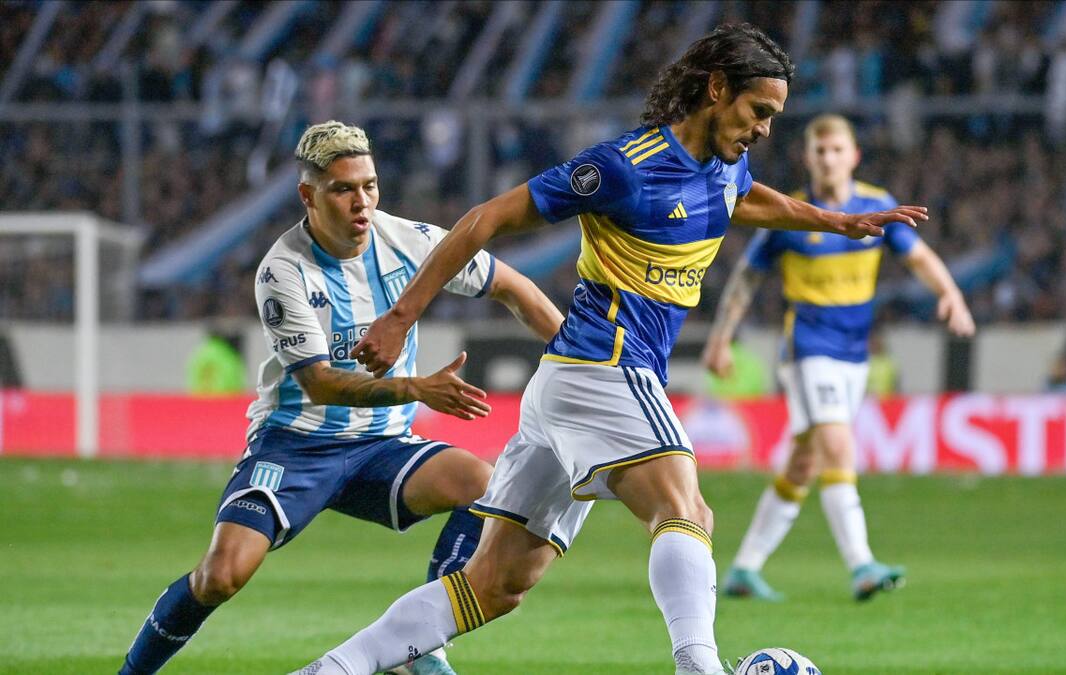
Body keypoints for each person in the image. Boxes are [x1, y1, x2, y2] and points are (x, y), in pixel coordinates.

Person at [293, 25, 927, 675]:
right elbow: (486, 218)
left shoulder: (728, 163)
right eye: (758, 111)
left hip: (564, 386)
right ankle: (699, 665)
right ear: (716, 89)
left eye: (773, 116)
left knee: (495, 584)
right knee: (686, 509)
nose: (765, 129)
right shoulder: (624, 168)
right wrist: (401, 316)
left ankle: (336, 668)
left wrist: (833, 221)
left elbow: (745, 197)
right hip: (607, 365)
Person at [118, 121, 564, 675]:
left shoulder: (414, 242)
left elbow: (513, 287)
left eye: (370, 186)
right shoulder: (283, 270)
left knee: (486, 486)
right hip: (294, 446)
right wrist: (415, 388)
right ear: (308, 195)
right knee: (221, 576)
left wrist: (581, 359)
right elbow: (320, 384)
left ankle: (420, 649)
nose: (362, 202)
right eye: (343, 189)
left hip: (381, 446)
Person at [702, 114, 975, 604]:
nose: (828, 159)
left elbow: (917, 256)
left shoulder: (876, 206)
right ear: (808, 158)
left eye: (836, 150)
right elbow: (746, 278)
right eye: (819, 151)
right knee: (837, 446)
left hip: (854, 353)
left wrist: (950, 293)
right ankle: (861, 565)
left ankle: (744, 569)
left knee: (804, 462)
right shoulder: (791, 212)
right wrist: (721, 338)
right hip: (808, 348)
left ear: (854, 156)